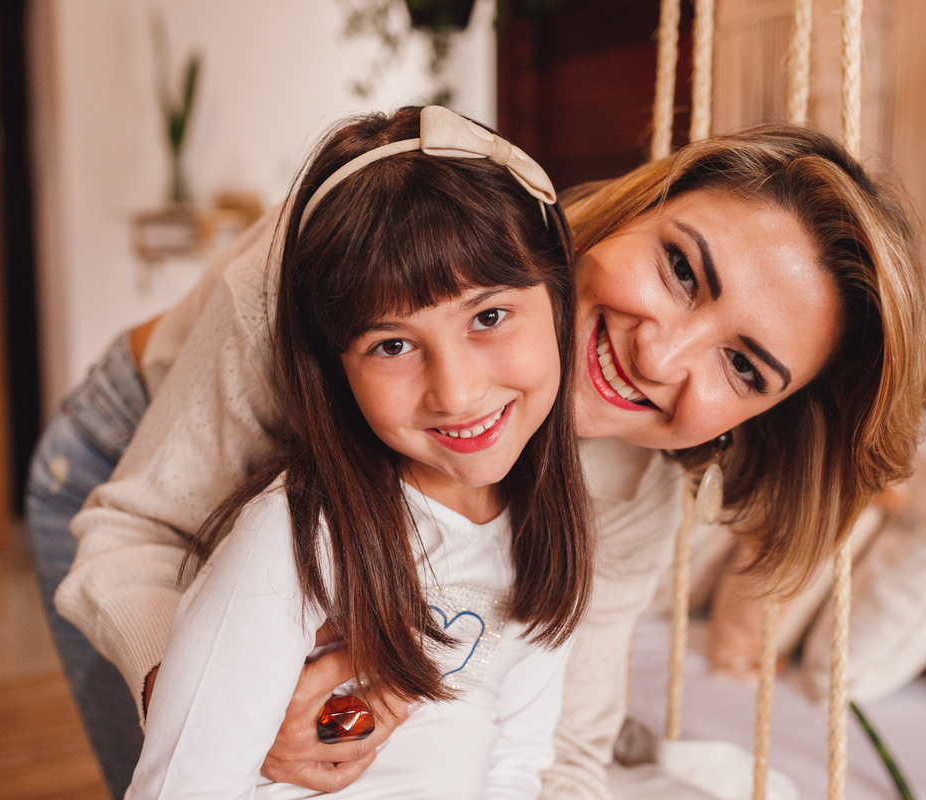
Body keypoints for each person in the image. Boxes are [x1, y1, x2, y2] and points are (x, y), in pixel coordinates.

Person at [31, 119, 926, 799]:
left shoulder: (628, 499)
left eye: (742, 366)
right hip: (139, 478)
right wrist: (211, 693)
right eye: (682, 271)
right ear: (633, 210)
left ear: (755, 422)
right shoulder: (355, 248)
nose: (660, 357)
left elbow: (561, 743)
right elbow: (132, 535)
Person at [123, 105, 592, 799]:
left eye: (489, 316)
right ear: (334, 368)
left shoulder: (550, 531)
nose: (457, 392)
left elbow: (518, 759)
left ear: (559, 303)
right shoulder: (293, 540)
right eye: (392, 345)